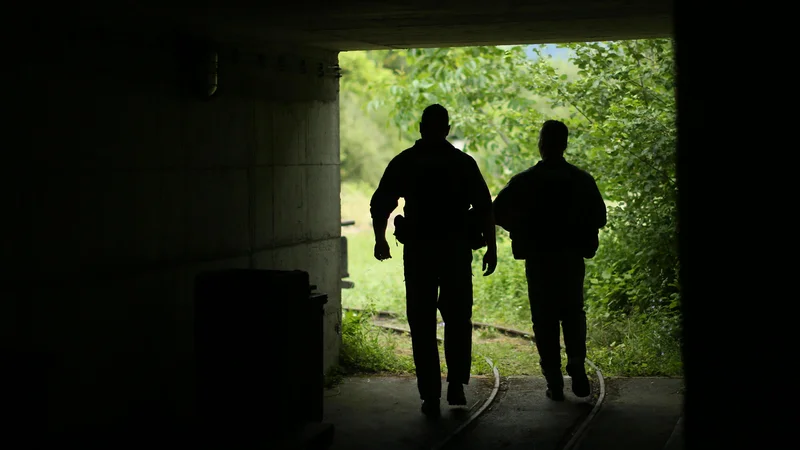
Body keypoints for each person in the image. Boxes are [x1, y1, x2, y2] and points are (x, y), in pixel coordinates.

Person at [370, 104, 497, 415]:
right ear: (448, 129)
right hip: (454, 251)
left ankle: (429, 394)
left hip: (419, 252)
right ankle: (455, 385)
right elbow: (483, 207)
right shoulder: (462, 163)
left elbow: (381, 203)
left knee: (422, 322)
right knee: (457, 319)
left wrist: (380, 239)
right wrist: (491, 248)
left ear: (420, 127)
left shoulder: (406, 161)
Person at [493, 120, 606, 401]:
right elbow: (599, 217)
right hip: (570, 259)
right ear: (565, 144)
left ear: (541, 144)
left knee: (543, 319)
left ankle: (554, 380)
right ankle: (577, 364)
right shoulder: (582, 179)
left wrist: (520, 228)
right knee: (573, 313)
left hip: (539, 260)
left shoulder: (524, 181)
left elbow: (497, 212)